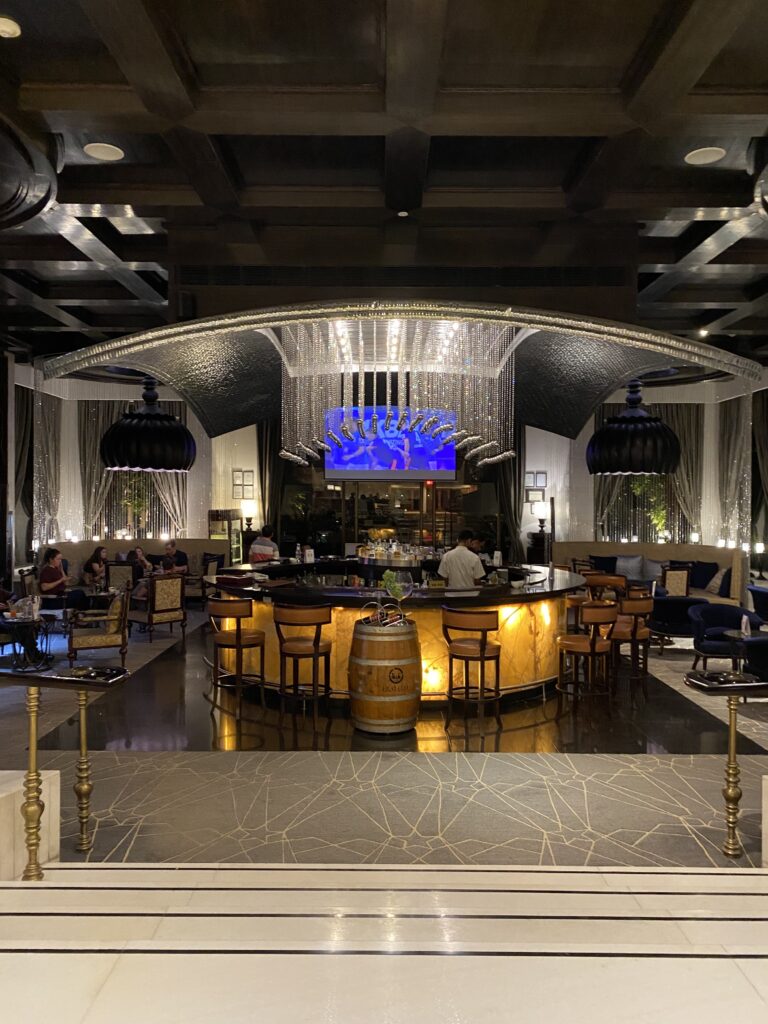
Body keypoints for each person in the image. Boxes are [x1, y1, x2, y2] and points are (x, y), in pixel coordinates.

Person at [0, 585, 50, 664]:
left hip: (4, 615)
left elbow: (13, 595)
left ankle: (31, 654)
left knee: (24, 625)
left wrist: (9, 601)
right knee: (15, 627)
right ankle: (33, 654)